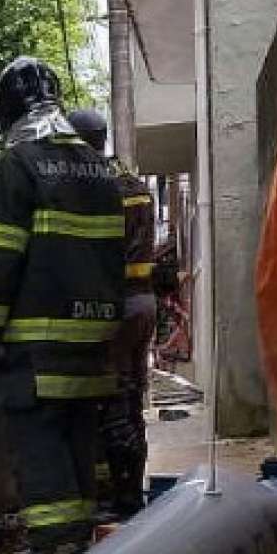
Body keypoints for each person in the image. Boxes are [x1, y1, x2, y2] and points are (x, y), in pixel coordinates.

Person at [0, 57, 125, 554]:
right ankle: (79, 531)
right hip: (95, 327)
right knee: (77, 427)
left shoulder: (21, 162)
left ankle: (55, 537)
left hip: (38, 331)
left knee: (37, 432)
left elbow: (1, 252)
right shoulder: (99, 166)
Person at [69, 108, 157, 519]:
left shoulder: (94, 186)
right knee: (131, 398)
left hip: (116, 305)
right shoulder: (131, 182)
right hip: (143, 302)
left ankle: (120, 501)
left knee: (112, 402)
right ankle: (130, 493)